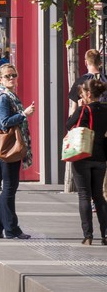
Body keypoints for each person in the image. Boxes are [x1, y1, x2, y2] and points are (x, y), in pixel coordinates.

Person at [0, 64, 35, 240]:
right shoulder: (4, 98)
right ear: (0, 79)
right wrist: (24, 114)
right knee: (9, 188)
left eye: (13, 75)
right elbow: (4, 122)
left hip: (10, 147)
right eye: (7, 76)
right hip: (8, 148)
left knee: (9, 188)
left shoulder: (10, 96)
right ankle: (11, 228)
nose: (11, 78)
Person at [66, 77, 107, 245]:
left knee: (84, 195)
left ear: (88, 94)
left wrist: (79, 109)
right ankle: (105, 234)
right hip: (101, 156)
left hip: (83, 154)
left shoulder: (84, 109)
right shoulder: (105, 109)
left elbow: (69, 124)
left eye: (82, 93)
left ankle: (88, 235)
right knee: (99, 195)